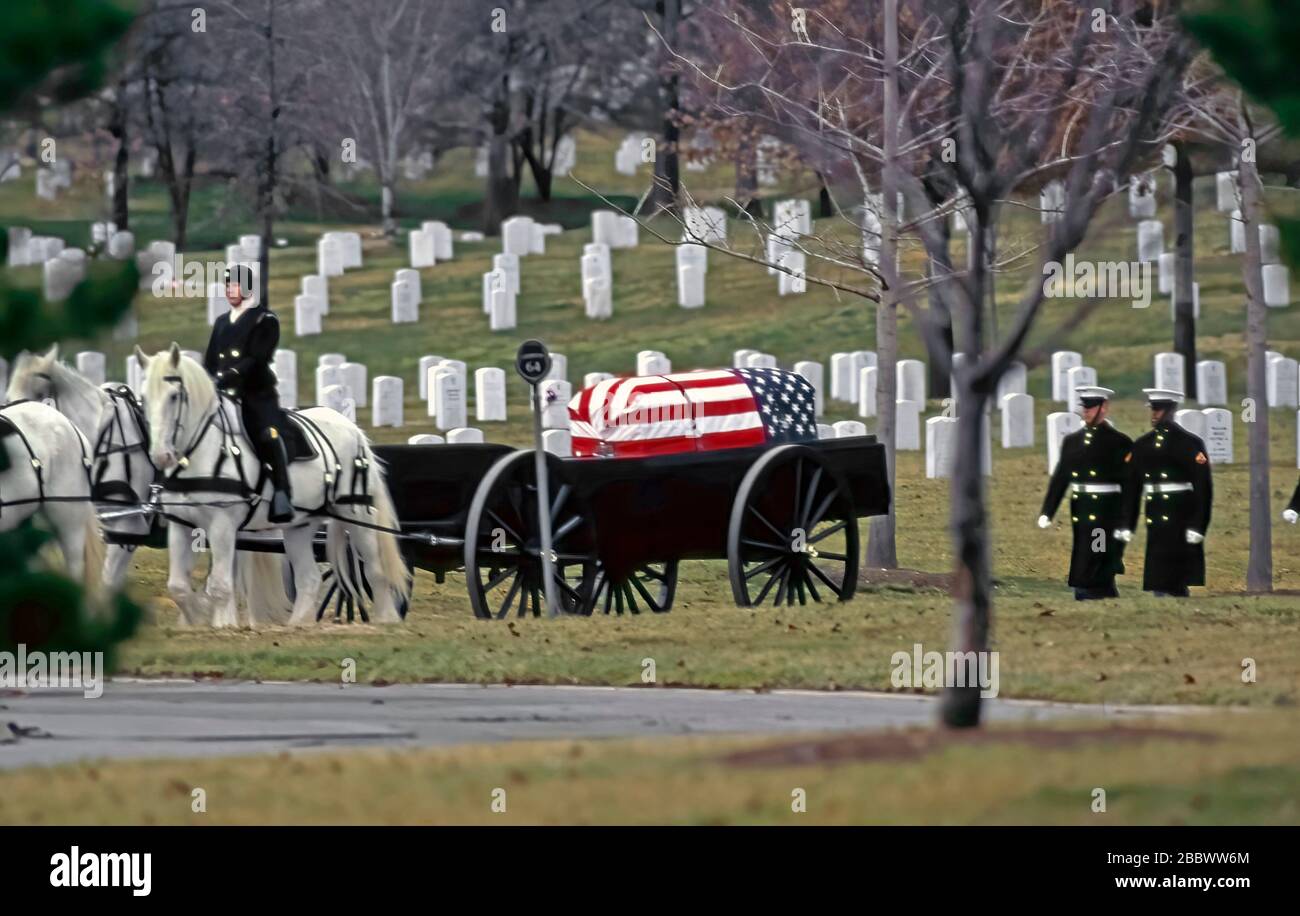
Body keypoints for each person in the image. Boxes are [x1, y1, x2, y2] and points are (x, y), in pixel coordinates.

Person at [203, 264, 294, 523]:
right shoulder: (222, 322)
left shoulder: (264, 320)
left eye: (235, 285)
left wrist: (227, 375)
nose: (230, 290)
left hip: (255, 394)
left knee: (268, 433)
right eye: (227, 285)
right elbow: (210, 360)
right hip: (223, 395)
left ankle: (281, 492)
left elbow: (257, 357)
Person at [1038, 386, 1132, 600]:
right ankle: (1087, 587)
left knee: (1098, 546)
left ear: (1104, 408)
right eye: (1084, 407)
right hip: (1081, 505)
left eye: (1091, 408)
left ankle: (1097, 588)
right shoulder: (1072, 441)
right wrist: (1048, 511)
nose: (1086, 412)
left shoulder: (1119, 442)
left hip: (1106, 507)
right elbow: (1061, 478)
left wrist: (1127, 519)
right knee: (1083, 546)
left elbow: (1129, 485)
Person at [1116, 388, 1213, 597]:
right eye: (1153, 409)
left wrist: (1199, 525)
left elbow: (1203, 488)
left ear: (1171, 410)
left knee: (1178, 565)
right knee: (1158, 560)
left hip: (1181, 510)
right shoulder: (1143, 445)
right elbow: (1132, 488)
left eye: (1159, 410)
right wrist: (1127, 523)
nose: (1154, 414)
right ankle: (1162, 597)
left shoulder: (1190, 443)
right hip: (1155, 508)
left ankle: (1176, 596)